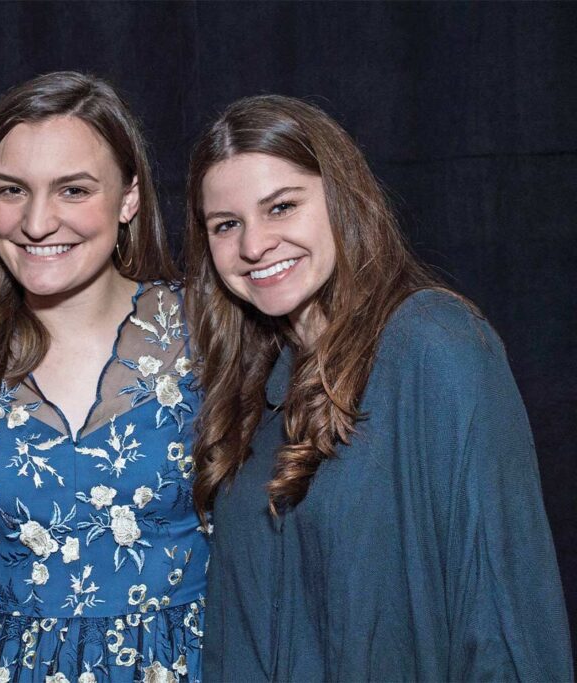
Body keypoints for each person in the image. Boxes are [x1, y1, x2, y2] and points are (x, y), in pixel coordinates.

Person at [184, 95, 572, 681]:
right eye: (227, 225)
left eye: (282, 207)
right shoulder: (251, 383)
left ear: (341, 198)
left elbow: (503, 612)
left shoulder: (434, 344)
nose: (254, 245)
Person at [0, 72, 207, 683]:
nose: (37, 222)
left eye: (73, 190)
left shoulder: (211, 330)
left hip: (182, 663)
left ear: (128, 198)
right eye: (12, 190)